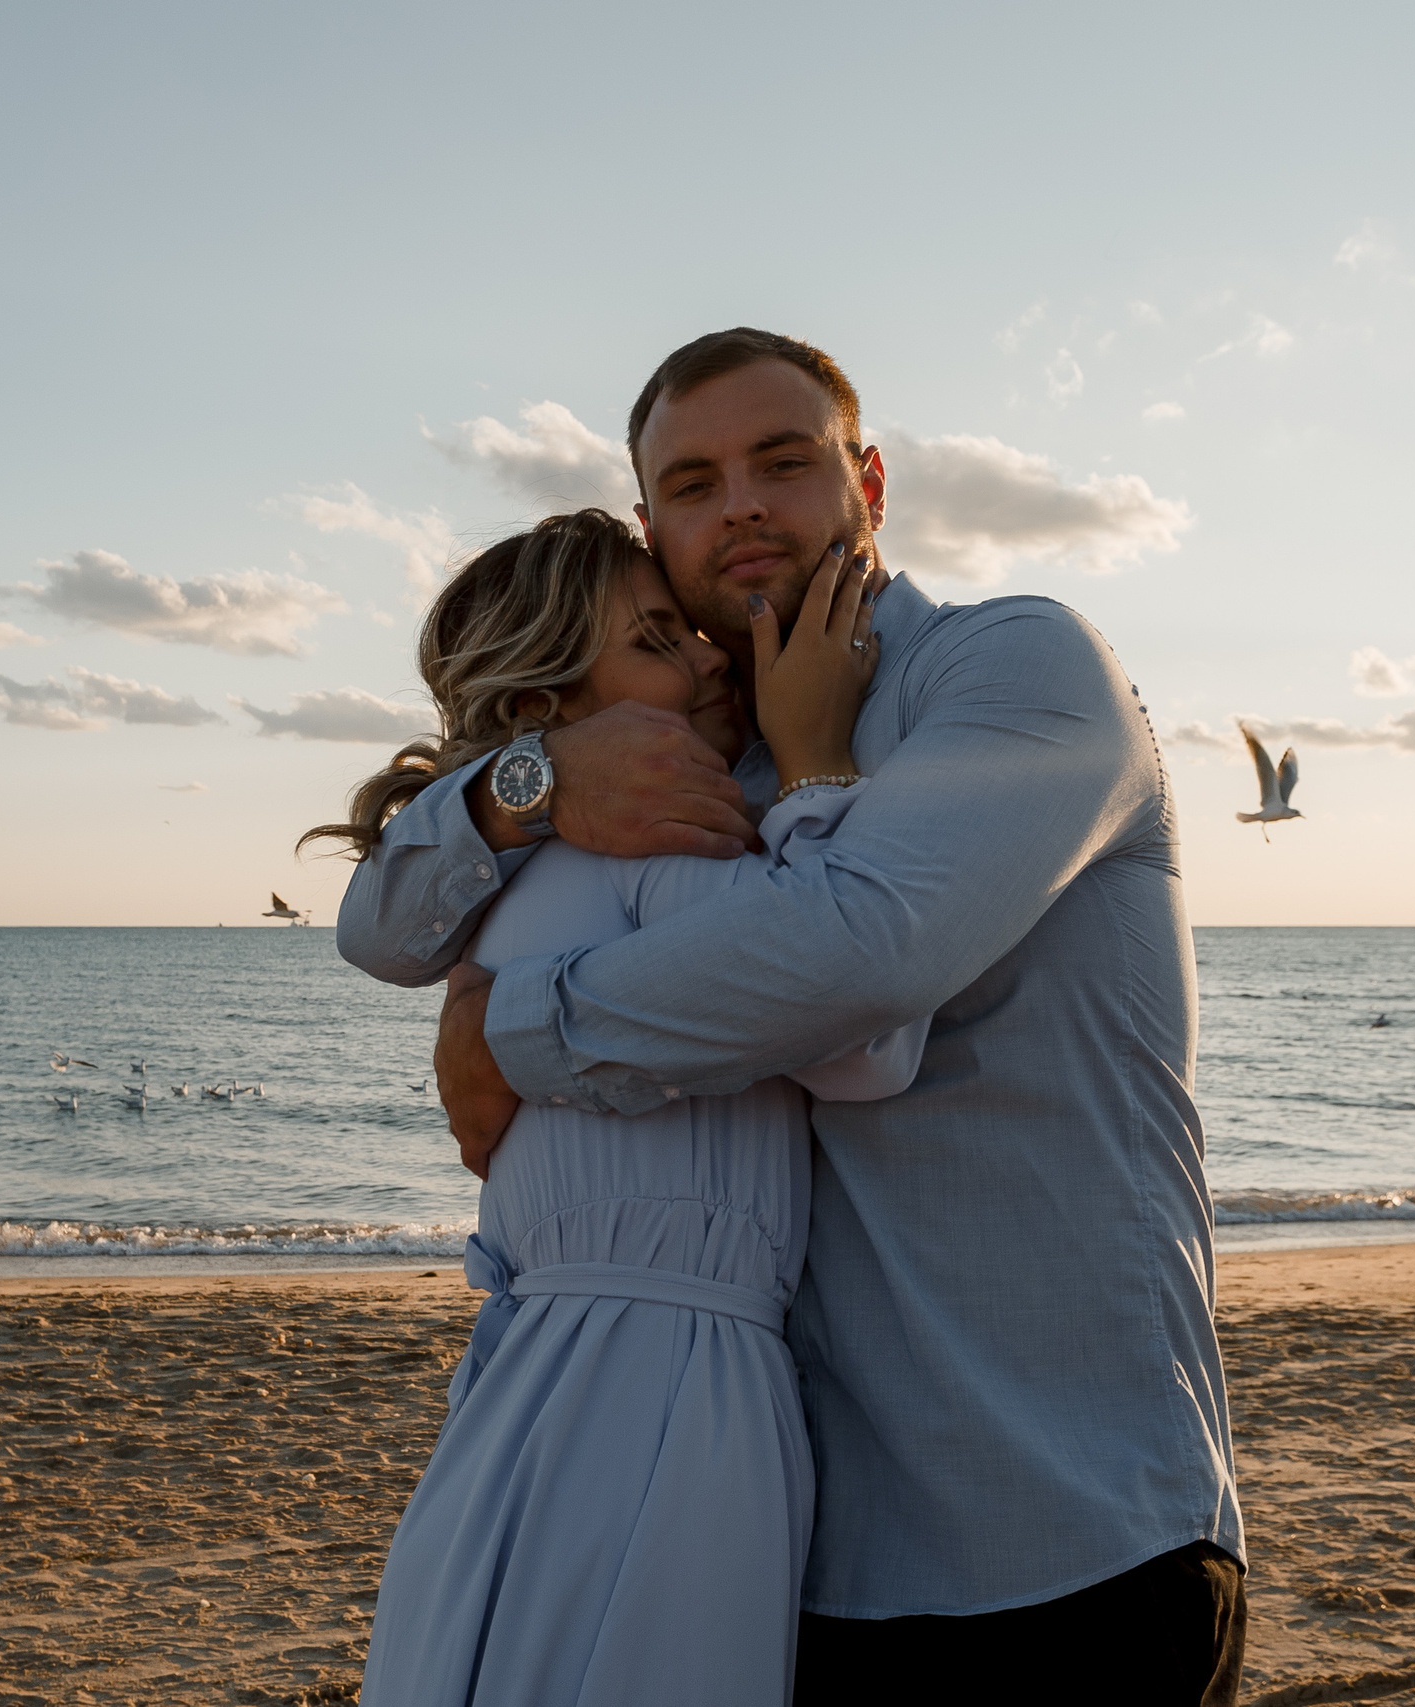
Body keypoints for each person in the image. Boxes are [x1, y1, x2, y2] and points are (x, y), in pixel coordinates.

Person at [337, 329, 1246, 1704]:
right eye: (693, 483)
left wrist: (510, 1030)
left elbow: (856, 951)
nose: (742, 506)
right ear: (653, 527)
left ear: (867, 479)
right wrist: (528, 774)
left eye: (783, 461)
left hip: (1061, 1530)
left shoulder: (1011, 669)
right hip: (806, 1550)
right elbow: (381, 924)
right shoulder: (702, 758)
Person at [308, 509, 927, 1705]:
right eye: (657, 640)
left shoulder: (515, 878)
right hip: (666, 1381)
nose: (709, 657)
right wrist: (816, 772)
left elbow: (376, 929)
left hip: (546, 1367)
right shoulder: (673, 846)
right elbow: (869, 1047)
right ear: (548, 700)